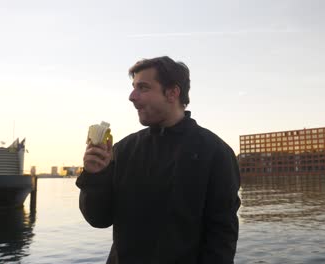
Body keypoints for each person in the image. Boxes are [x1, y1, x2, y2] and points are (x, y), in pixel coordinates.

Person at [76, 56, 241, 264]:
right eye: (133, 87)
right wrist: (95, 176)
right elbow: (98, 219)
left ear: (173, 92)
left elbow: (222, 237)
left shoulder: (215, 152)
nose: (131, 96)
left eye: (143, 88)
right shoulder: (123, 150)